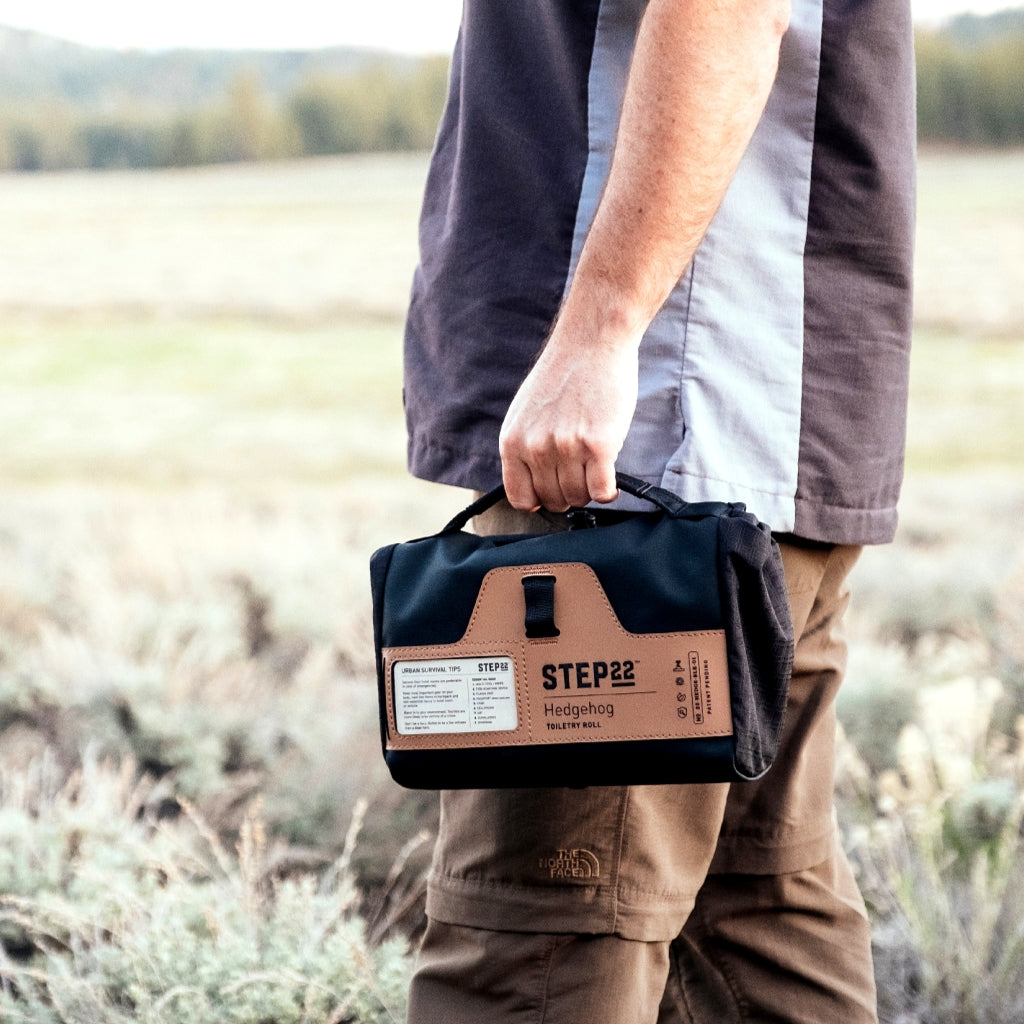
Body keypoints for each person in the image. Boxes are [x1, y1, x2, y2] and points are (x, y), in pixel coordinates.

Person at [401, 0, 916, 1020]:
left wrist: (599, 330)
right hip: (733, 428)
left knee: (537, 945)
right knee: (757, 917)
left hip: (648, 447)